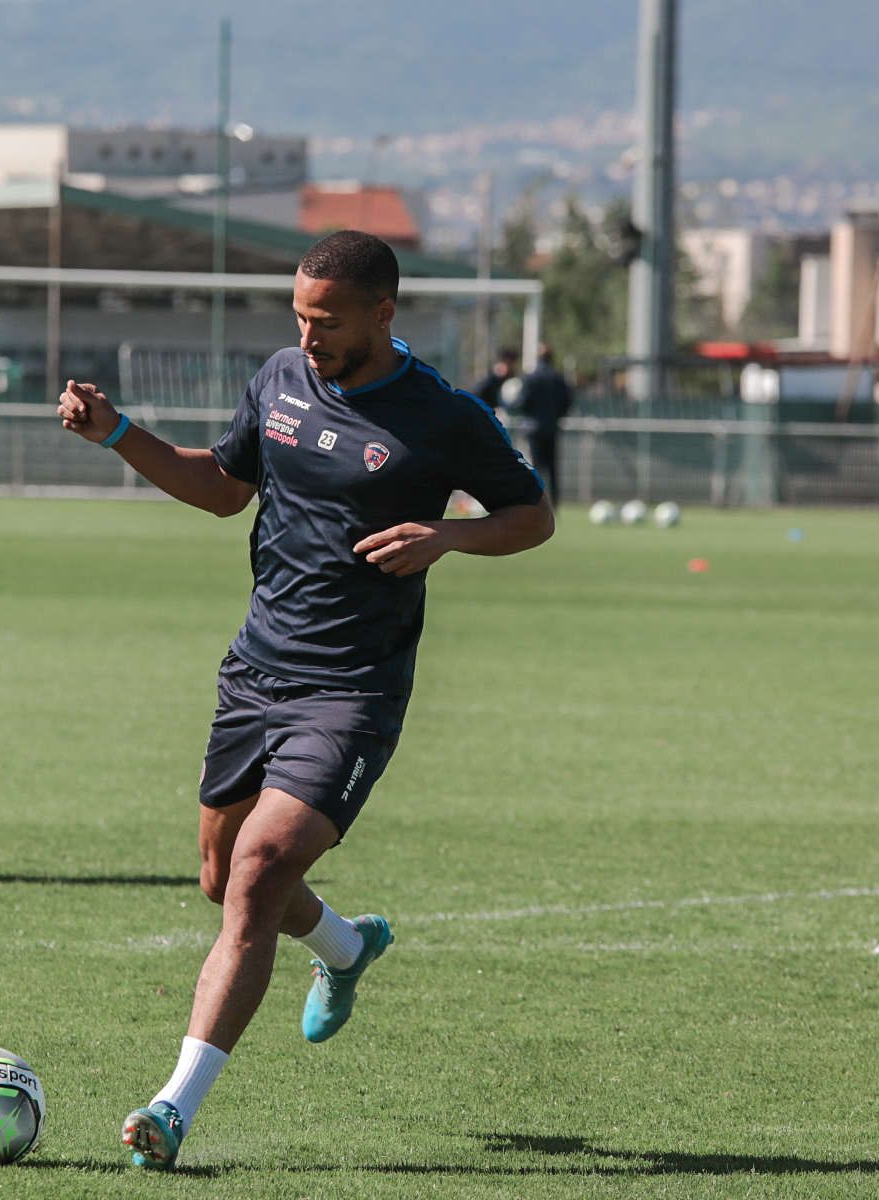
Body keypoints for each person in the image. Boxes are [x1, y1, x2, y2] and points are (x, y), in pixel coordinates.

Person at [57, 230, 553, 1169]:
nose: (309, 334)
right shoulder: (281, 377)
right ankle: (345, 946)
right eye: (299, 316)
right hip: (255, 672)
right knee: (220, 877)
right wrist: (119, 433)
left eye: (326, 321)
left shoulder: (443, 415)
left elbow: (533, 516)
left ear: (382, 313)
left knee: (257, 872)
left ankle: (171, 1109)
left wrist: (446, 539)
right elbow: (221, 489)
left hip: (354, 689)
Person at [515, 343, 572, 501]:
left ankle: (538, 501)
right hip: (551, 427)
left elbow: (523, 402)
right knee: (553, 468)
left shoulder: (531, 377)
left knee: (535, 467)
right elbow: (567, 401)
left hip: (533, 429)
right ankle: (555, 503)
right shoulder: (558, 378)